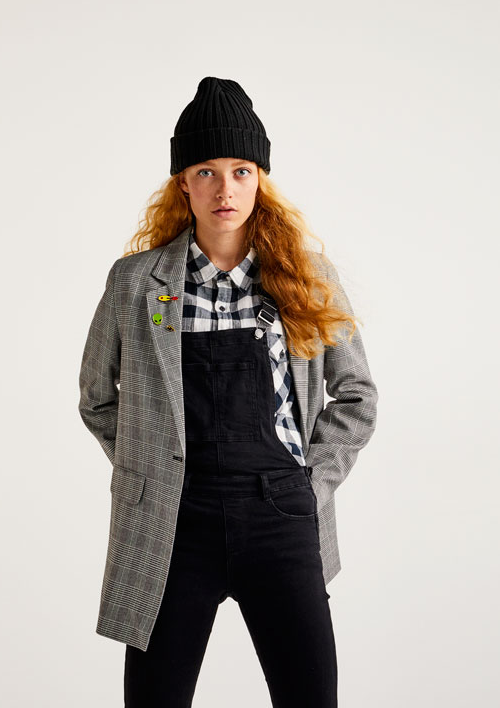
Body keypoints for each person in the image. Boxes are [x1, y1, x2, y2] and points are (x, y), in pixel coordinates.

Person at [78, 76, 379, 707]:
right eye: (206, 173)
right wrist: (149, 466)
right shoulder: (136, 282)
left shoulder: (306, 277)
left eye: (241, 171)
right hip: (172, 522)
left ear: (260, 180)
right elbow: (97, 397)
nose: (225, 190)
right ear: (182, 184)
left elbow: (355, 395)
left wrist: (312, 484)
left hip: (281, 516)